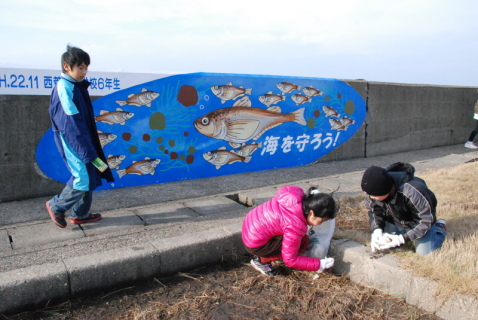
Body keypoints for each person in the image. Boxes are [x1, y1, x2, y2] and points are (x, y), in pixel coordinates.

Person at [45, 45, 114, 228]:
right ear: (67, 67)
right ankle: (56, 205)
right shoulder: (65, 88)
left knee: (91, 174)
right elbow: (70, 124)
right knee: (81, 178)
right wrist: (86, 151)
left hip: (83, 140)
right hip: (74, 143)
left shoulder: (76, 86)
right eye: (80, 67)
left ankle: (81, 214)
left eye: (86, 68)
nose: (84, 72)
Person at [242, 185, 336, 276]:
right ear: (311, 213)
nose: (320, 224)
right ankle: (261, 261)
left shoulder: (295, 197)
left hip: (250, 229)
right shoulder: (295, 224)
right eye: (321, 221)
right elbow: (291, 260)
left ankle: (275, 255)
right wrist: (319, 264)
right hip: (256, 245)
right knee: (302, 243)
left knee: (298, 240)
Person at [360, 163, 446, 255]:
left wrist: (401, 238)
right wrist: (377, 229)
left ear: (386, 190)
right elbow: (374, 211)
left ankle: (439, 227)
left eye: (373, 195)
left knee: (424, 252)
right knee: (388, 245)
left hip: (417, 222)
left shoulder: (412, 192)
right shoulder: (373, 192)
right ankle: (401, 234)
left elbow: (426, 219)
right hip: (395, 220)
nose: (370, 197)